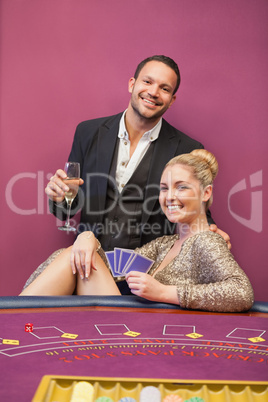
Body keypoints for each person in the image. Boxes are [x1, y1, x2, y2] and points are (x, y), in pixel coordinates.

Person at [20, 150, 254, 313]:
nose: (170, 197)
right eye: (164, 188)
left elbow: (242, 293)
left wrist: (164, 293)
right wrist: (87, 237)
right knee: (77, 254)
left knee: (74, 255)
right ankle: (16, 319)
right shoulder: (164, 243)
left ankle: (13, 318)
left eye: (181, 187)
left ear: (205, 193)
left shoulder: (206, 240)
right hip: (126, 321)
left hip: (145, 331)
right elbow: (112, 266)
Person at [45, 55, 231, 253]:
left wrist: (211, 232)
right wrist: (58, 198)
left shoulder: (186, 147)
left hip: (148, 271)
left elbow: (196, 209)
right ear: (132, 84)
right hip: (89, 260)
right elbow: (69, 206)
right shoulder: (88, 132)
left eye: (165, 88)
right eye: (147, 82)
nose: (153, 92)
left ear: (172, 100)